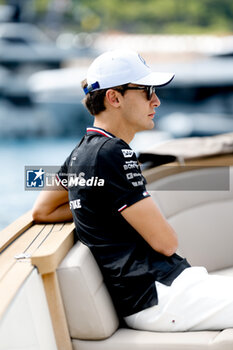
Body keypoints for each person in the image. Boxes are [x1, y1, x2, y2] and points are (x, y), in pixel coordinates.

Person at [32, 49, 233, 332]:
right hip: (160, 296)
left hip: (162, 290)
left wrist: (99, 210)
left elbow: (43, 209)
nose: (156, 100)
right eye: (146, 91)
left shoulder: (81, 152)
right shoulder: (114, 153)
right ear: (114, 98)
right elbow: (166, 243)